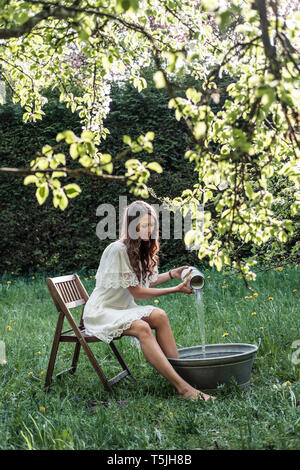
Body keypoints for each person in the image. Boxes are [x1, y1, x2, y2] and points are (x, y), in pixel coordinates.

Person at [83, 200, 215, 401]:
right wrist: (176, 289)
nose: (150, 230)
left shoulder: (141, 248)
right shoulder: (117, 249)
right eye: (144, 225)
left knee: (159, 316)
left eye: (152, 225)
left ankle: (183, 377)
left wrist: (173, 273)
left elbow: (148, 282)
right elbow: (138, 293)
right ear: (132, 226)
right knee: (142, 327)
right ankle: (183, 389)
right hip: (101, 311)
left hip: (121, 308)